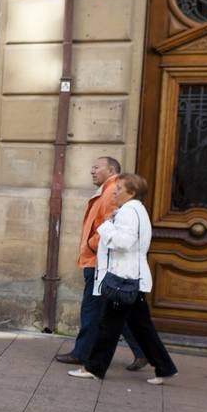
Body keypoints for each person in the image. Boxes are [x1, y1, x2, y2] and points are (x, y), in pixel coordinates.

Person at [69, 173, 178, 384]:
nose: (115, 192)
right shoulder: (134, 210)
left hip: (124, 279)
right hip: (131, 279)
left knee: (108, 326)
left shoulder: (129, 211)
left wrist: (105, 225)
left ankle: (94, 368)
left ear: (132, 193)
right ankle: (165, 368)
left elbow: (123, 242)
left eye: (119, 189)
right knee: (142, 327)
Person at [55, 156, 148, 370]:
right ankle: (142, 351)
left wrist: (91, 245)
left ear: (111, 169)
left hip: (98, 262)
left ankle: (81, 353)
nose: (92, 171)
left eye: (97, 167)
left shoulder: (111, 191)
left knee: (91, 309)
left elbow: (110, 224)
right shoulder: (109, 190)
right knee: (113, 311)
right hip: (99, 260)